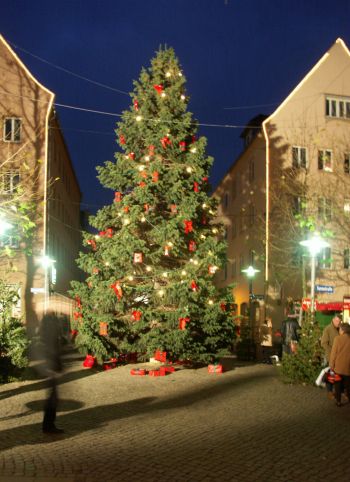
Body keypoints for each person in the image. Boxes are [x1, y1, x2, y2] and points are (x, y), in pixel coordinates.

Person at [40, 312, 64, 434]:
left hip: (51, 364)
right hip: (51, 365)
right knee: (52, 398)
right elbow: (52, 348)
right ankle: (48, 425)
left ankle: (48, 425)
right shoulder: (49, 325)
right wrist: (54, 367)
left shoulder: (48, 322)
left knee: (52, 397)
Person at [329, 323, 350, 407]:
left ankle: (338, 401)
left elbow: (333, 354)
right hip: (348, 367)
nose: (339, 331)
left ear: (343, 330)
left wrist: (331, 365)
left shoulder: (337, 339)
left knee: (337, 385)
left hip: (338, 367)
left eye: (340, 329)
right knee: (348, 385)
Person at [321, 314, 341, 399]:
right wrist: (331, 352)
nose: (338, 323)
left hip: (339, 356)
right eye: (337, 321)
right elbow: (324, 343)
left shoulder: (340, 329)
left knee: (338, 373)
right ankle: (329, 391)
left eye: (339, 321)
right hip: (330, 356)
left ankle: (339, 391)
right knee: (331, 374)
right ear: (333, 320)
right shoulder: (328, 329)